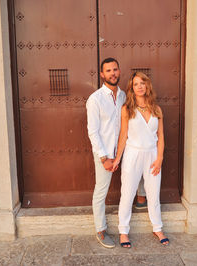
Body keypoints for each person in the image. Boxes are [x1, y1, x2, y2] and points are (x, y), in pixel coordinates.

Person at [111, 72, 169, 248]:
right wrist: (117, 159)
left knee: (153, 193)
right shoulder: (127, 109)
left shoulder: (157, 109)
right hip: (132, 155)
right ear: (132, 88)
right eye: (136, 84)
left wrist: (159, 158)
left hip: (152, 155)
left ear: (147, 85)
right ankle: (123, 231)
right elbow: (123, 136)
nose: (140, 86)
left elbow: (161, 136)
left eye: (142, 83)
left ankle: (157, 228)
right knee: (127, 194)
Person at [86, 57, 124, 248]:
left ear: (119, 71)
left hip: (123, 150)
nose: (112, 73)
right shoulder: (95, 99)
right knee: (101, 191)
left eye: (115, 69)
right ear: (102, 74)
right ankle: (100, 229)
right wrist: (103, 157)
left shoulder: (124, 95)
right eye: (108, 70)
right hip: (105, 153)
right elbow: (93, 131)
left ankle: (141, 199)